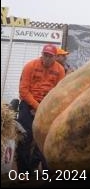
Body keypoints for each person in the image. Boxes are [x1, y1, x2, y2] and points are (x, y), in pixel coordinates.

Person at [16, 44, 65, 175]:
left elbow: (59, 92)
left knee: (45, 139)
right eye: (45, 55)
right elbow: (23, 90)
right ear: (42, 54)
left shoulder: (60, 70)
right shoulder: (30, 66)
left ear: (55, 57)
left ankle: (47, 171)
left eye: (50, 56)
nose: (47, 58)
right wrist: (36, 106)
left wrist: (45, 107)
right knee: (25, 138)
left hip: (47, 105)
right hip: (28, 104)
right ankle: (23, 172)